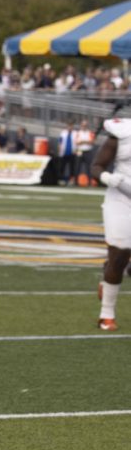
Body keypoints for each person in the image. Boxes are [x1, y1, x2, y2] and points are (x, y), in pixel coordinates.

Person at [91, 117, 131, 331]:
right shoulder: (122, 132)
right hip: (121, 198)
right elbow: (96, 166)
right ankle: (106, 315)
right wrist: (106, 177)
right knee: (119, 253)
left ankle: (109, 279)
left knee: (123, 265)